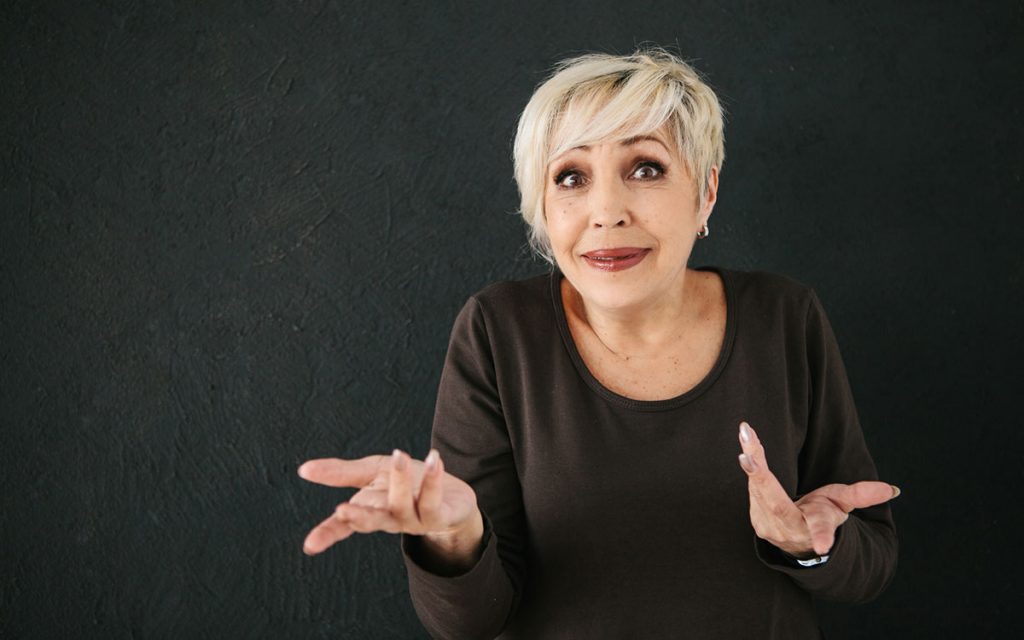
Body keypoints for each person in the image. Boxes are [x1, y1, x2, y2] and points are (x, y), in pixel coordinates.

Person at [298, 48, 899, 639]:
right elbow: (468, 623)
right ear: (542, 210)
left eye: (646, 168)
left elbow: (868, 564)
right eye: (571, 177)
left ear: (706, 192)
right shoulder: (498, 331)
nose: (606, 211)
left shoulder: (785, 318)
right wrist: (457, 538)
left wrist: (808, 545)